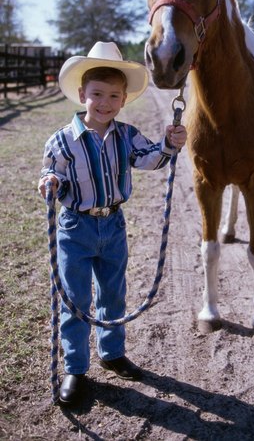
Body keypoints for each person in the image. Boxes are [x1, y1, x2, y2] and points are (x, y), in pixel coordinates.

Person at [38, 41, 187, 405]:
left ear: (123, 100)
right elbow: (50, 173)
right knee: (75, 299)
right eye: (97, 95)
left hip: (113, 227)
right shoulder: (61, 142)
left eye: (113, 96)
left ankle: (112, 353)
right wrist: (49, 183)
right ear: (81, 94)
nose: (104, 103)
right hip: (76, 228)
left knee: (113, 294)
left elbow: (151, 159)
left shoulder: (127, 135)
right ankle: (75, 368)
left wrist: (169, 144)